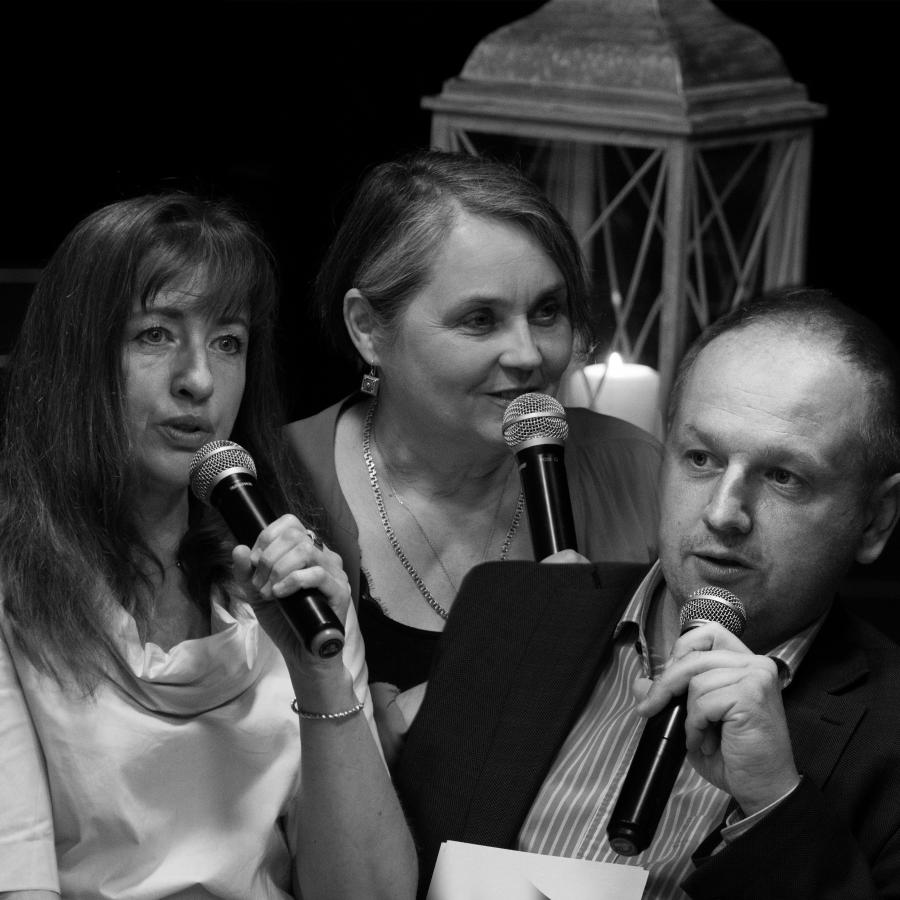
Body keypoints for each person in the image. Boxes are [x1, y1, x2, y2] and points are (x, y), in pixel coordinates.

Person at [395, 287, 900, 899]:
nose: (723, 513)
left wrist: (774, 802)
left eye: (783, 477)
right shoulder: (509, 609)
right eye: (701, 458)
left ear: (875, 519)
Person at [0, 194, 416, 899]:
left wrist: (320, 675)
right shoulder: (15, 590)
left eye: (228, 342)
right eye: (155, 335)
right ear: (76, 358)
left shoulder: (291, 575)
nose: (198, 380)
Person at [284, 149, 662, 762]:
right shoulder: (277, 484)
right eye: (481, 320)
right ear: (368, 328)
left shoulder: (639, 473)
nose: (529, 354)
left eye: (547, 311)